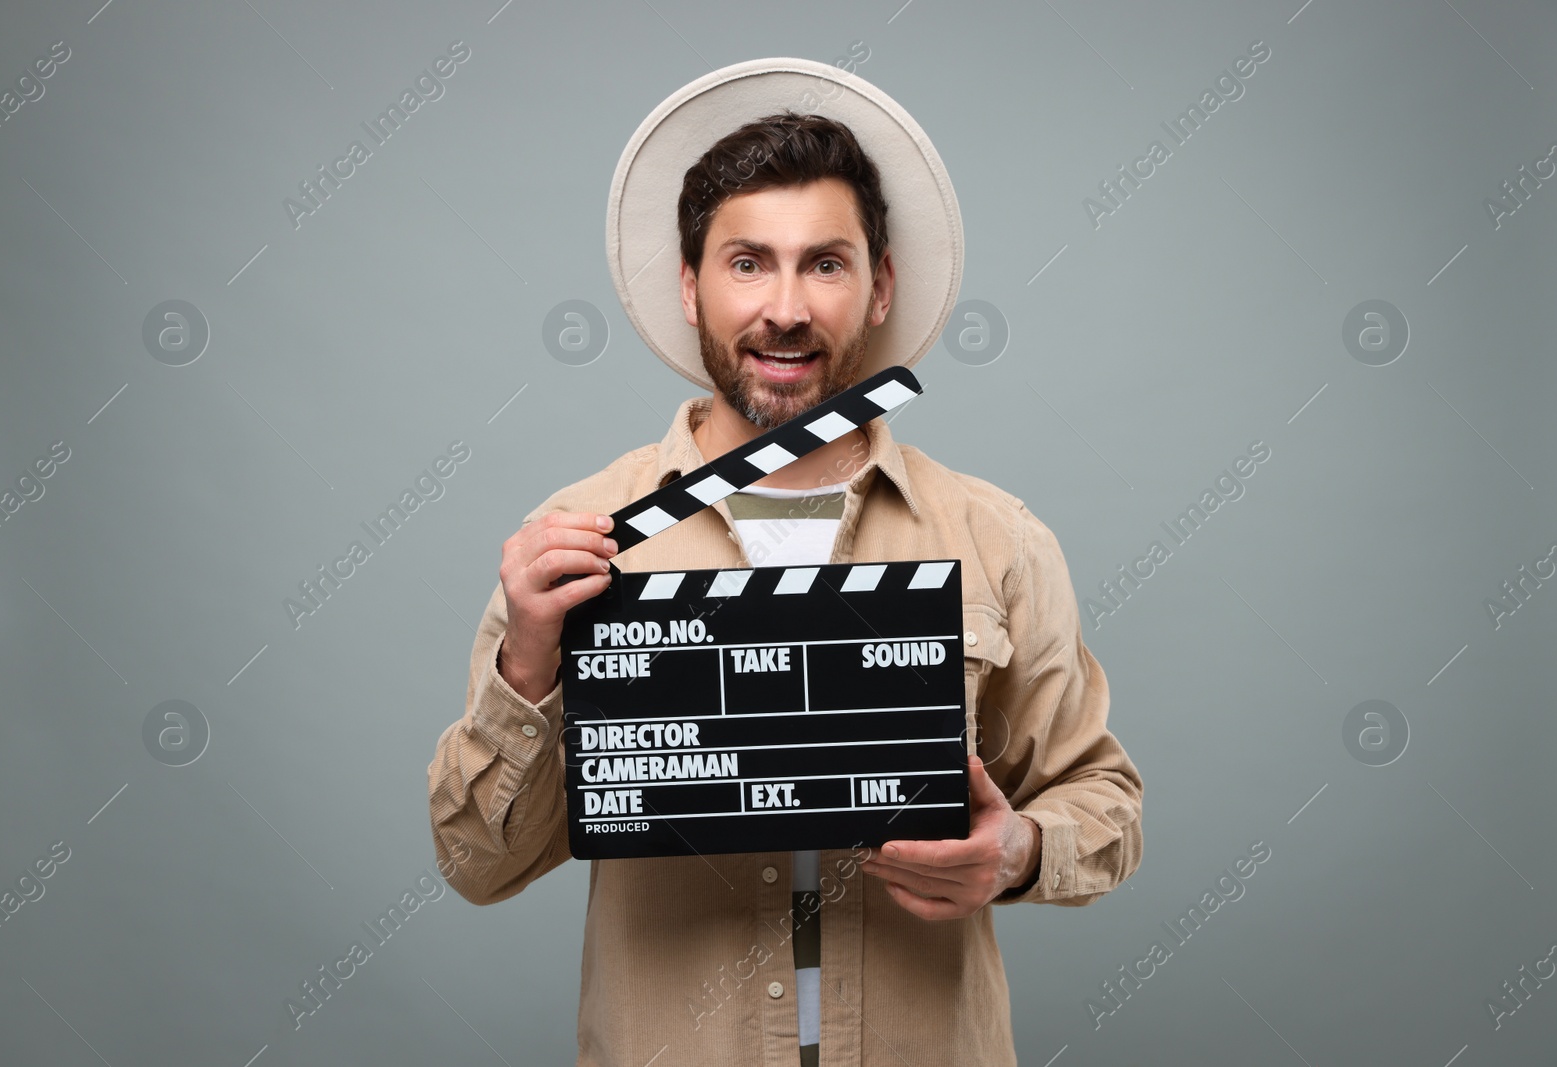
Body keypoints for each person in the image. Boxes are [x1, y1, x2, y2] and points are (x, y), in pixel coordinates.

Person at [428, 58, 1143, 1067]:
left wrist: (1014, 851)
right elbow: (476, 863)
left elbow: (1101, 803)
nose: (787, 307)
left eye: (826, 262)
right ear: (689, 283)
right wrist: (530, 669)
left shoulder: (996, 539)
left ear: (880, 284)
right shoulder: (579, 537)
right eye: (747, 262)